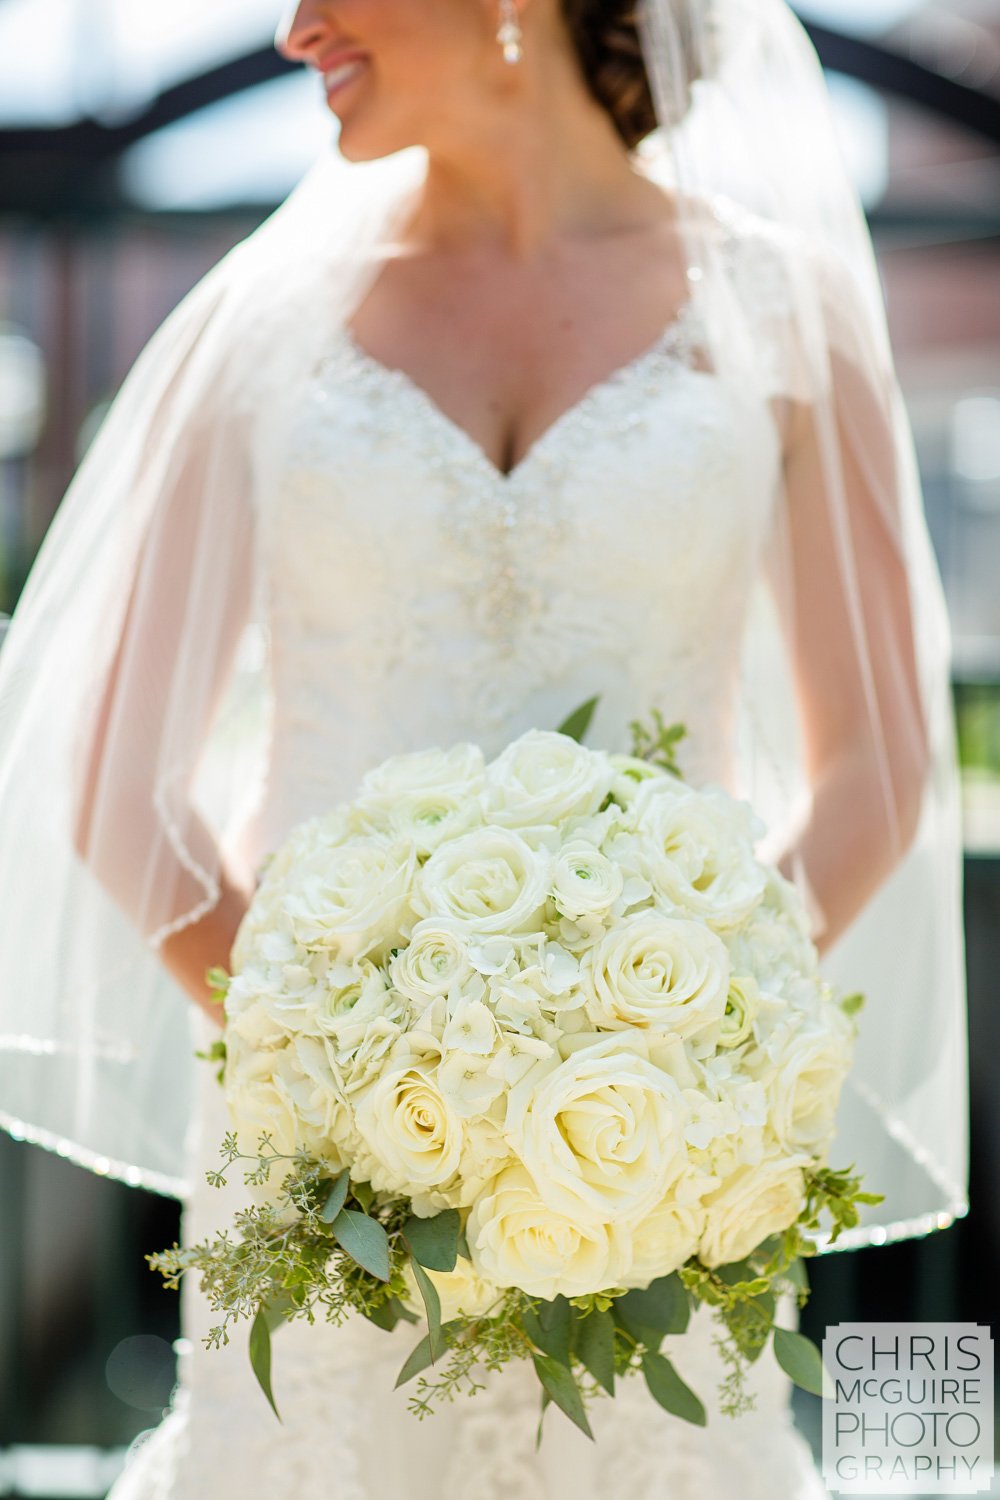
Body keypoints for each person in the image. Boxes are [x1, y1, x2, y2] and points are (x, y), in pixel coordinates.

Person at [0, 0, 968, 1496]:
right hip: (310, 1161)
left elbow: (882, 771)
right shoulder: (264, 318)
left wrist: (681, 1050)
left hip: (657, 1152)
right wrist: (343, 1073)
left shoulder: (782, 309)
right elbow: (115, 777)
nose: (294, 31)